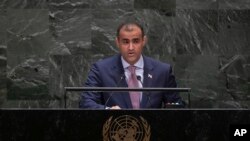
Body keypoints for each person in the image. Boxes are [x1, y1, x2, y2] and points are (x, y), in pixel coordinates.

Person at [79, 21, 183, 109]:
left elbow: (177, 105)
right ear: (117, 42)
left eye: (136, 41)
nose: (131, 47)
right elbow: (85, 102)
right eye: (125, 42)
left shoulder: (162, 71)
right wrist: (107, 110)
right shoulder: (101, 70)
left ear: (144, 41)